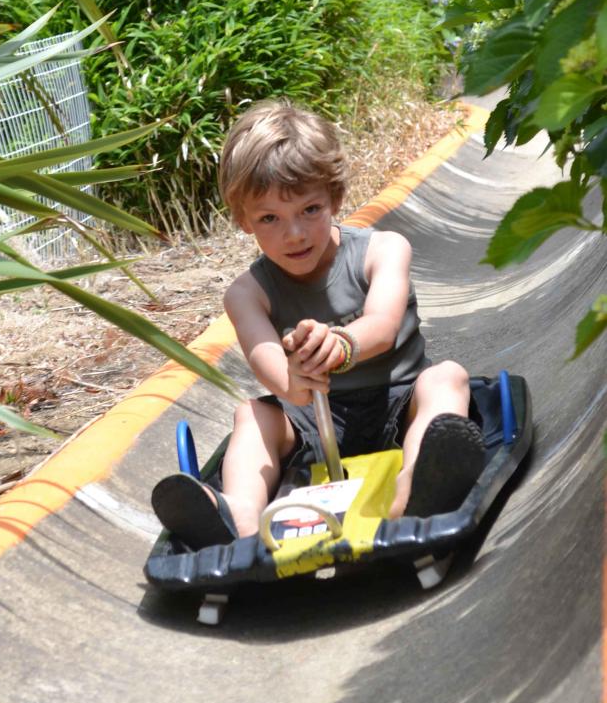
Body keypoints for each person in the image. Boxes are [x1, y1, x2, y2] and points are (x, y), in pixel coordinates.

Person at [152, 98, 485, 549]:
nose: (294, 234)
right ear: (244, 220)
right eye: (269, 218)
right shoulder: (247, 294)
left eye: (309, 209)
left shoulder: (382, 250)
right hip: (308, 418)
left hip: (397, 400)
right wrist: (296, 378)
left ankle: (420, 482)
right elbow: (271, 368)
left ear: (335, 198)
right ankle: (239, 514)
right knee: (253, 415)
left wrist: (340, 344)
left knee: (447, 378)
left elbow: (383, 325)